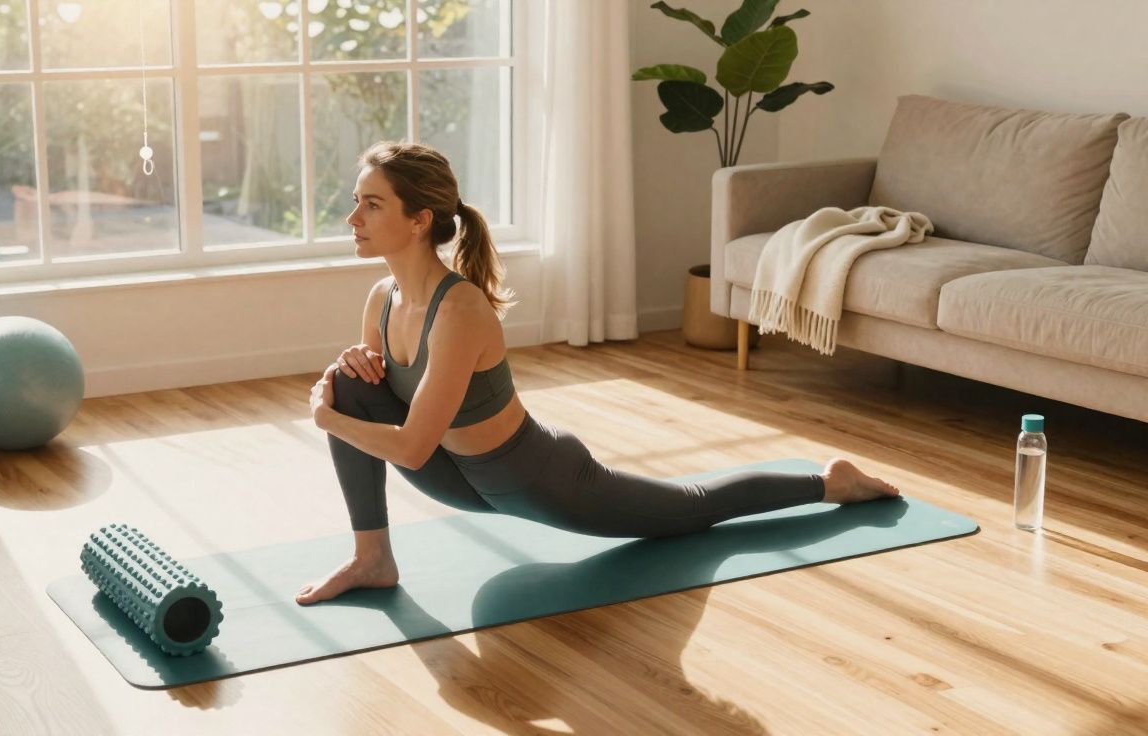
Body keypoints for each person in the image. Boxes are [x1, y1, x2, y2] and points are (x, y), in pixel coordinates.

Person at [298, 141, 900, 605]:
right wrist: (350, 375)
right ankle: (372, 559)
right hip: (457, 477)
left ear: (419, 219)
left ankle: (831, 483)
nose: (353, 216)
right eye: (357, 200)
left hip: (538, 478)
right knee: (350, 382)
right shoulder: (380, 298)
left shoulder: (458, 309)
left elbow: (409, 446)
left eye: (371, 203)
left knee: (691, 509)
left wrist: (325, 416)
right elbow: (387, 405)